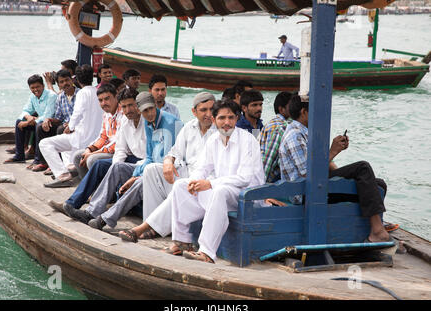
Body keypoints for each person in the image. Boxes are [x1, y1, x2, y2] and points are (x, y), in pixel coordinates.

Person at [62, 92, 183, 231]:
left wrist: (136, 177)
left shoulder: (169, 123)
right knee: (117, 167)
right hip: (149, 166)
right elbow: (149, 156)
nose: (148, 113)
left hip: (168, 171)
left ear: (156, 105)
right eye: (144, 110)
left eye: (150, 109)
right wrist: (134, 175)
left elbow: (165, 160)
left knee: (137, 180)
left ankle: (105, 218)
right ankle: (91, 212)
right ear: (140, 109)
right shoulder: (149, 123)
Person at [278, 95, 391, 243]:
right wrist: (333, 151)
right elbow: (306, 173)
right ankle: (377, 231)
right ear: (304, 112)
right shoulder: (295, 135)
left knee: (378, 185)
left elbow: (322, 165)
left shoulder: (306, 132)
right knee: (362, 168)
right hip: (306, 192)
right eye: (316, 111)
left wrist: (334, 152)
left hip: (317, 184)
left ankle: (372, 229)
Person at [166, 99, 265, 263]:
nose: (227, 123)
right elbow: (202, 168)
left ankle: (207, 252)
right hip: (225, 191)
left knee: (219, 191)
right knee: (180, 185)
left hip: (247, 195)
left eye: (231, 118)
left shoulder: (248, 140)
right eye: (222, 118)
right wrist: (194, 181)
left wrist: (210, 184)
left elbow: (244, 178)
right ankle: (183, 242)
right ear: (214, 119)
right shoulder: (213, 140)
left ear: (237, 118)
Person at [118, 92, 216, 242]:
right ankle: (152, 226)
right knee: (151, 170)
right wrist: (168, 161)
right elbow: (174, 151)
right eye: (203, 110)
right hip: (187, 173)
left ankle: (144, 228)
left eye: (212, 109)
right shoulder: (189, 127)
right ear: (194, 112)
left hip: (206, 183)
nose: (209, 114)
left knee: (182, 186)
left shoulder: (220, 131)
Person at [48, 87, 145, 214]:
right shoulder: (121, 119)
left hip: (141, 162)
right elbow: (111, 142)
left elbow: (117, 145)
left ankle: (96, 203)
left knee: (94, 160)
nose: (127, 110)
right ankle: (74, 202)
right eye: (100, 100)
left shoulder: (136, 119)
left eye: (131, 105)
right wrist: (90, 149)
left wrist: (95, 153)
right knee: (85, 158)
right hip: (126, 157)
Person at [40, 64, 104, 187]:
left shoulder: (82, 93)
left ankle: (63, 175)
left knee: (45, 143)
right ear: (93, 77)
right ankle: (69, 168)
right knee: (64, 142)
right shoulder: (98, 92)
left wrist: (70, 127)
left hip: (82, 138)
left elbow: (77, 113)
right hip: (96, 139)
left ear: (76, 79)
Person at [30, 69, 80, 172]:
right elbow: (58, 118)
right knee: (41, 127)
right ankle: (44, 163)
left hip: (78, 126)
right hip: (64, 124)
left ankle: (60, 165)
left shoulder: (80, 94)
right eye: (61, 82)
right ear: (58, 85)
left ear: (72, 80)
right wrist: (48, 119)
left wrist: (71, 124)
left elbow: (84, 115)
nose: (65, 83)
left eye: (67, 80)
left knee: (60, 130)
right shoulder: (60, 97)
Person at [72, 83, 123, 179]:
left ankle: (99, 191)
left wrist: (93, 153)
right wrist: (89, 149)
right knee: (78, 156)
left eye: (107, 99)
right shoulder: (106, 115)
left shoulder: (123, 113)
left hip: (119, 151)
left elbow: (118, 142)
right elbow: (103, 137)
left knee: (92, 159)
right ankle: (89, 190)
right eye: (100, 100)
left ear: (116, 97)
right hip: (108, 149)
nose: (104, 103)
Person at [4, 74, 57, 164]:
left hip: (52, 123)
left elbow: (48, 115)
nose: (35, 90)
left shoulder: (51, 96)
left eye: (38, 87)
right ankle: (19, 156)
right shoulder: (33, 96)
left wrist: (28, 123)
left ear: (43, 86)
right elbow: (25, 110)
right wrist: (28, 117)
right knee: (19, 122)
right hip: (38, 121)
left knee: (38, 126)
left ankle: (37, 160)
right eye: (32, 88)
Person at [259, 91, 292, 182]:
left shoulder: (274, 123)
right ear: (281, 109)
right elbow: (268, 161)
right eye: (291, 106)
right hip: (271, 180)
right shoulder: (279, 128)